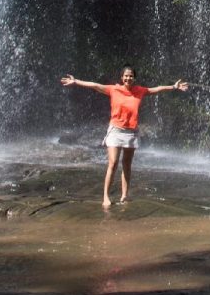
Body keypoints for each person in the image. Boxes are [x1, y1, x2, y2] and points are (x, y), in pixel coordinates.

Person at [61, 65, 188, 208]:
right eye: (126, 76)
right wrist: (76, 81)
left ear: (134, 78)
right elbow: (95, 85)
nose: (128, 78)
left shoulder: (139, 91)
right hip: (115, 130)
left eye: (131, 76)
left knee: (127, 165)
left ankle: (125, 195)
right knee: (113, 163)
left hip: (131, 132)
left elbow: (155, 89)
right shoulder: (113, 89)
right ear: (122, 78)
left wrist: (173, 87)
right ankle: (106, 197)